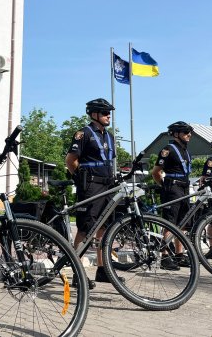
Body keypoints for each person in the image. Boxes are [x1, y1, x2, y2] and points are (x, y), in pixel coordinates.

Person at [65, 98, 117, 287]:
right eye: (105, 113)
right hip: (91, 187)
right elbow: (70, 160)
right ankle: (78, 274)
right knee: (86, 228)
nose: (108, 116)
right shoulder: (84, 134)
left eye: (109, 113)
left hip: (108, 185)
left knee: (104, 228)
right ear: (94, 114)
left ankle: (103, 270)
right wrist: (81, 179)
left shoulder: (109, 136)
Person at [151, 121, 194, 270]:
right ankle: (164, 257)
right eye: (185, 132)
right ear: (176, 134)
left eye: (189, 132)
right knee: (170, 222)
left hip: (185, 187)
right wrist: (164, 186)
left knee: (182, 223)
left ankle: (179, 255)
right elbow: (156, 172)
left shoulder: (186, 150)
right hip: (173, 186)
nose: (189, 135)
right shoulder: (168, 149)